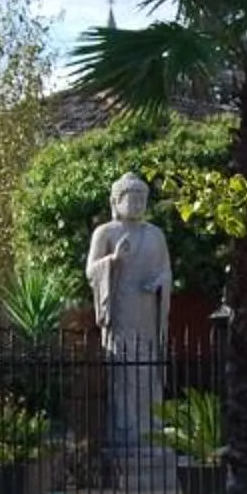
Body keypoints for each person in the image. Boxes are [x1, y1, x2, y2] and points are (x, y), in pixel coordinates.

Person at [86, 173, 172, 449]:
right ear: (116, 202)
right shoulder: (106, 232)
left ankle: (152, 427)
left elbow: (166, 272)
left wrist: (159, 283)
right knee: (124, 371)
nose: (136, 205)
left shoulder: (155, 235)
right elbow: (91, 272)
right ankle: (126, 429)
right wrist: (113, 260)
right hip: (121, 310)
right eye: (131, 199)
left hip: (148, 313)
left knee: (148, 370)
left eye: (141, 199)